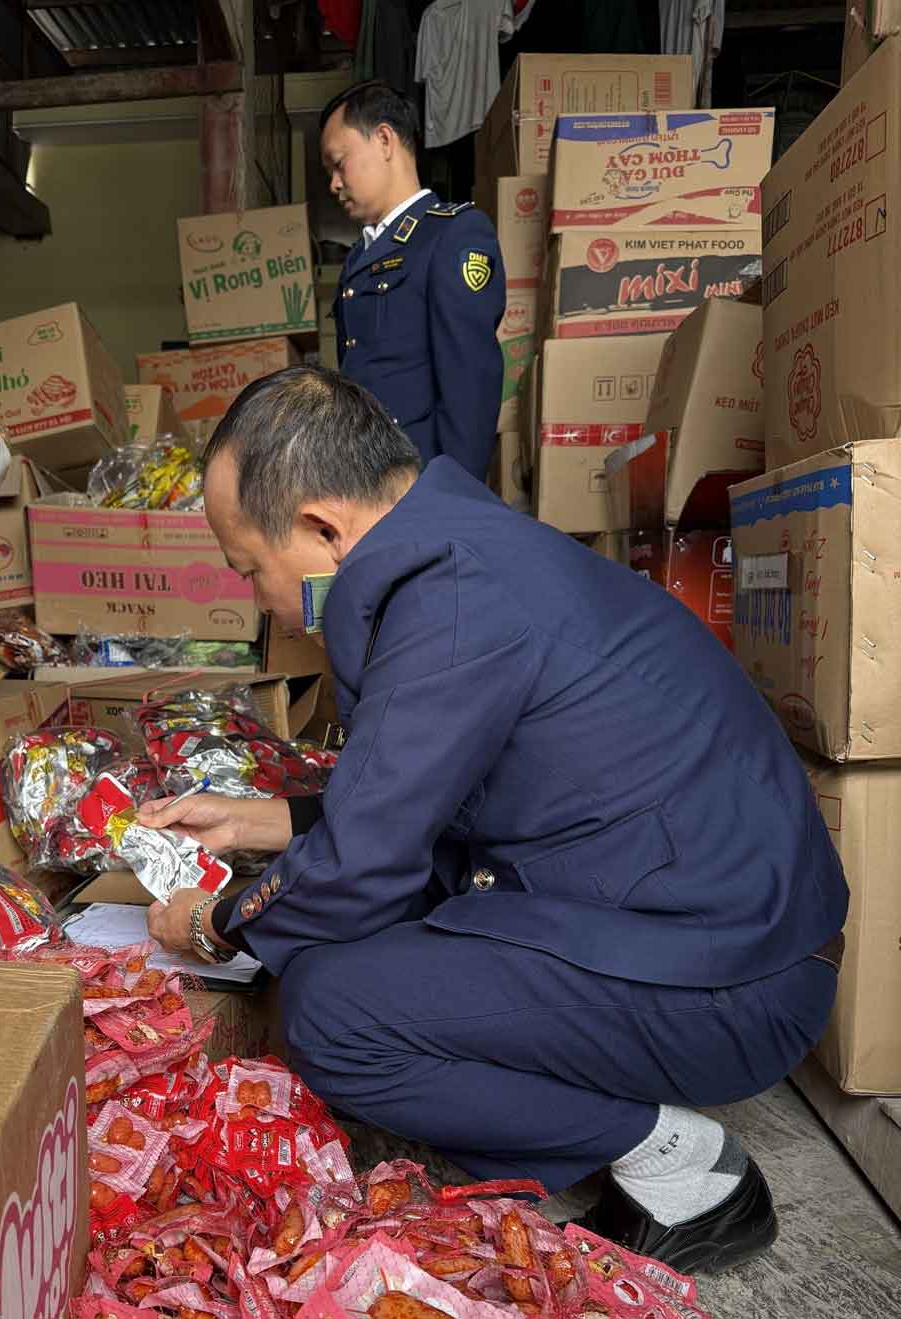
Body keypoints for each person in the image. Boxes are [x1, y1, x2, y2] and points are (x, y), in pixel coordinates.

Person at [143, 365, 848, 1275]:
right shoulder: (464, 555)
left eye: (251, 570)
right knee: (348, 939)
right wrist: (254, 822)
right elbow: (424, 791)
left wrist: (213, 922)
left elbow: (364, 865)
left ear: (321, 528)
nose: (262, 601)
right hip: (702, 924)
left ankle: (681, 1165)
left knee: (333, 1013)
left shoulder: (451, 604)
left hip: (735, 982)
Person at [320, 80, 506, 483]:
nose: (333, 183)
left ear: (384, 140)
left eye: (339, 163)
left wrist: (454, 497)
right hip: (367, 483)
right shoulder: (360, 256)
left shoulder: (453, 234)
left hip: (421, 483)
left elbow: (470, 386)